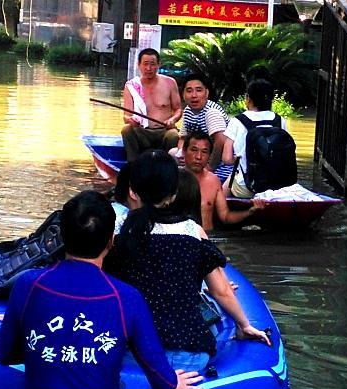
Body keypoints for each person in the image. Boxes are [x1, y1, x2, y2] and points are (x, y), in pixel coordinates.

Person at [0, 191, 202, 389]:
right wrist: (173, 382)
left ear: (61, 236)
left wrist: (46, 346)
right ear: (111, 241)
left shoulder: (29, 284)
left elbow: (4, 353)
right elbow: (158, 376)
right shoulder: (126, 298)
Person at [106, 150, 271, 374]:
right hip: (187, 358)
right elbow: (221, 291)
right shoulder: (193, 232)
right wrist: (244, 325)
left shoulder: (121, 239)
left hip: (133, 358)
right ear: (174, 193)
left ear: (134, 191)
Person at [184, 131, 267, 231]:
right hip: (179, 240)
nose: (198, 157)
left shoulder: (213, 181)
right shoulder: (173, 179)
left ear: (210, 156)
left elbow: (225, 217)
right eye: (194, 150)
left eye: (204, 152)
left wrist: (250, 212)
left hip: (208, 239)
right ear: (184, 151)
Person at [222, 79, 288, 198]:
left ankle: (221, 208)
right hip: (277, 186)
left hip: (246, 188)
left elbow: (226, 159)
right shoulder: (280, 121)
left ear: (248, 98)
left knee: (231, 178)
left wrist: (238, 158)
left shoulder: (237, 121)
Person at [121, 48, 182, 162]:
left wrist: (172, 120)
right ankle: (133, 165)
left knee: (173, 134)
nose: (149, 68)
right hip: (142, 131)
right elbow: (126, 116)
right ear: (139, 65)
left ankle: (165, 165)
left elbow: (178, 109)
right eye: (145, 64)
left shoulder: (170, 83)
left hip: (163, 131)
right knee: (126, 130)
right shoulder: (131, 86)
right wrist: (131, 120)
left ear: (158, 65)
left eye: (153, 64)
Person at [172, 73, 233, 182]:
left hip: (220, 164)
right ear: (183, 95)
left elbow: (220, 141)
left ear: (207, 93)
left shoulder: (212, 112)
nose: (194, 95)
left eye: (199, 90)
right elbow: (182, 138)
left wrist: (209, 167)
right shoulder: (188, 111)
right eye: (189, 91)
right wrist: (182, 153)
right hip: (199, 156)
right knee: (172, 153)